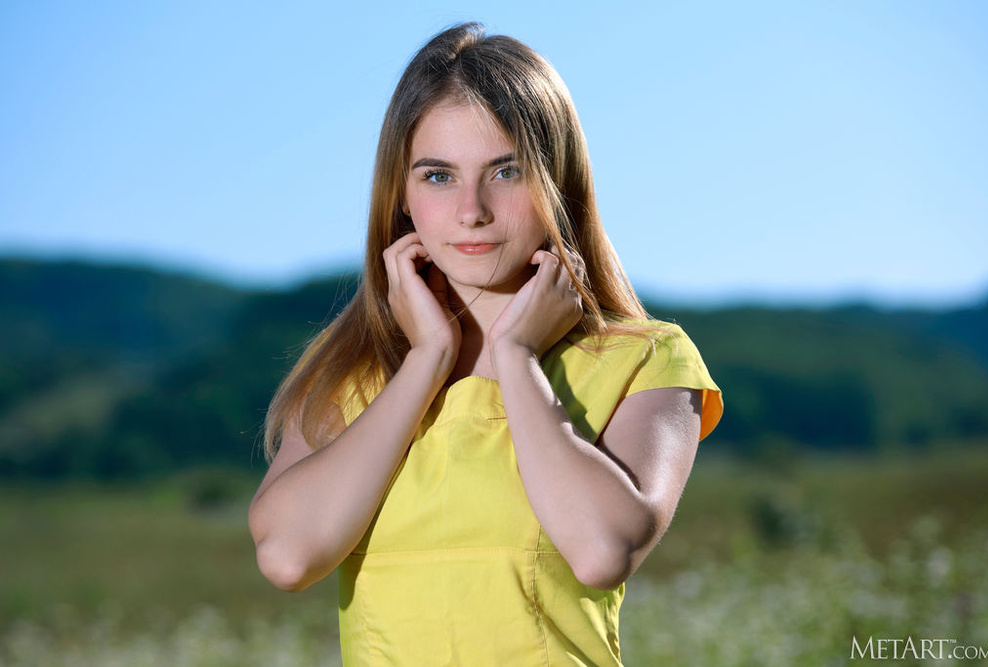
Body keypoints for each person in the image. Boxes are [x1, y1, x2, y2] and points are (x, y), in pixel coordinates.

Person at [249, 22, 722, 665]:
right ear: (402, 199)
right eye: (438, 177)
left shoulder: (645, 359)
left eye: (506, 170)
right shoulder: (351, 371)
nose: (471, 210)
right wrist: (425, 361)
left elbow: (602, 551)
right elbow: (287, 556)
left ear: (559, 181)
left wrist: (517, 357)